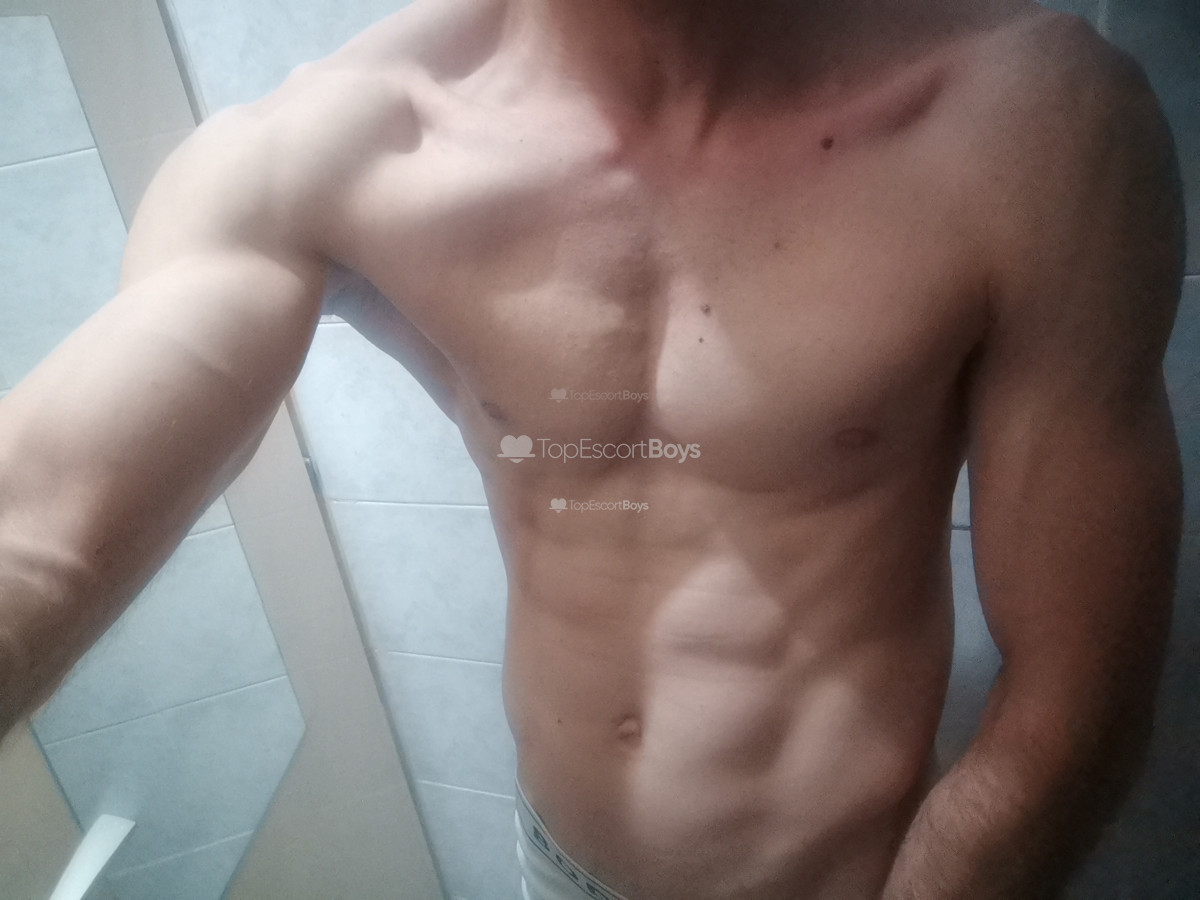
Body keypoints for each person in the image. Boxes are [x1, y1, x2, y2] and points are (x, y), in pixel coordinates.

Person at [0, 0, 1185, 897]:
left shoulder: (1034, 129)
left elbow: (1077, 694)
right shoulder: (339, 144)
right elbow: (38, 526)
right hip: (555, 861)